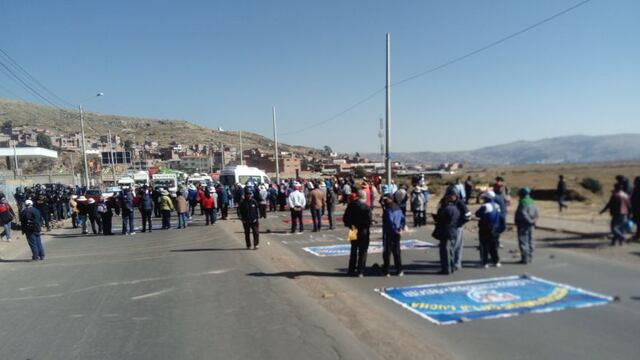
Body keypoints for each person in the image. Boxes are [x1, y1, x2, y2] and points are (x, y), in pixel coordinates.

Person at [343, 190, 372, 277]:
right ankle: (360, 270)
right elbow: (368, 220)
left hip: (353, 229)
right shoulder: (366, 207)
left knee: (353, 249)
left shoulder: (351, 205)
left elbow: (345, 218)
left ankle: (351, 269)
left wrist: (349, 225)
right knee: (363, 251)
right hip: (363, 230)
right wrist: (369, 224)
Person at [433, 192, 460, 274]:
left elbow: (441, 220)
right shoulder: (455, 208)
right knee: (451, 250)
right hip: (453, 231)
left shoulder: (446, 209)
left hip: (446, 232)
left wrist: (436, 217)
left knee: (445, 252)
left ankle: (446, 269)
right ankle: (451, 267)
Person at [476, 191, 501, 268]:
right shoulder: (497, 206)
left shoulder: (485, 206)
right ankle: (496, 261)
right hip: (495, 227)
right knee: (493, 245)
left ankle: (485, 262)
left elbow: (477, 214)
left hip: (485, 227)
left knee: (484, 245)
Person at [382, 195, 405, 276]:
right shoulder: (397, 208)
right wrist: (401, 229)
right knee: (397, 251)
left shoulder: (389, 209)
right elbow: (402, 219)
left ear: (390, 199)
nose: (384, 201)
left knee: (387, 252)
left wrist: (396, 230)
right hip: (397, 232)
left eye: (386, 199)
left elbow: (390, 221)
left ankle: (386, 270)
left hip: (390, 232)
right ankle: (399, 270)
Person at [514, 187, 539, 264]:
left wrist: (529, 221)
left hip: (523, 224)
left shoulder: (523, 202)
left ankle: (525, 258)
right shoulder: (532, 201)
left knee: (523, 241)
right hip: (531, 225)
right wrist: (534, 220)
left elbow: (523, 213)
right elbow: (537, 212)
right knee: (530, 240)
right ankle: (530, 256)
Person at [631, 177, 640, 241]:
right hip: (636, 209)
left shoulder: (636, 189)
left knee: (638, 223)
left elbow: (634, 199)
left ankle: (637, 236)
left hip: (637, 209)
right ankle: (637, 235)